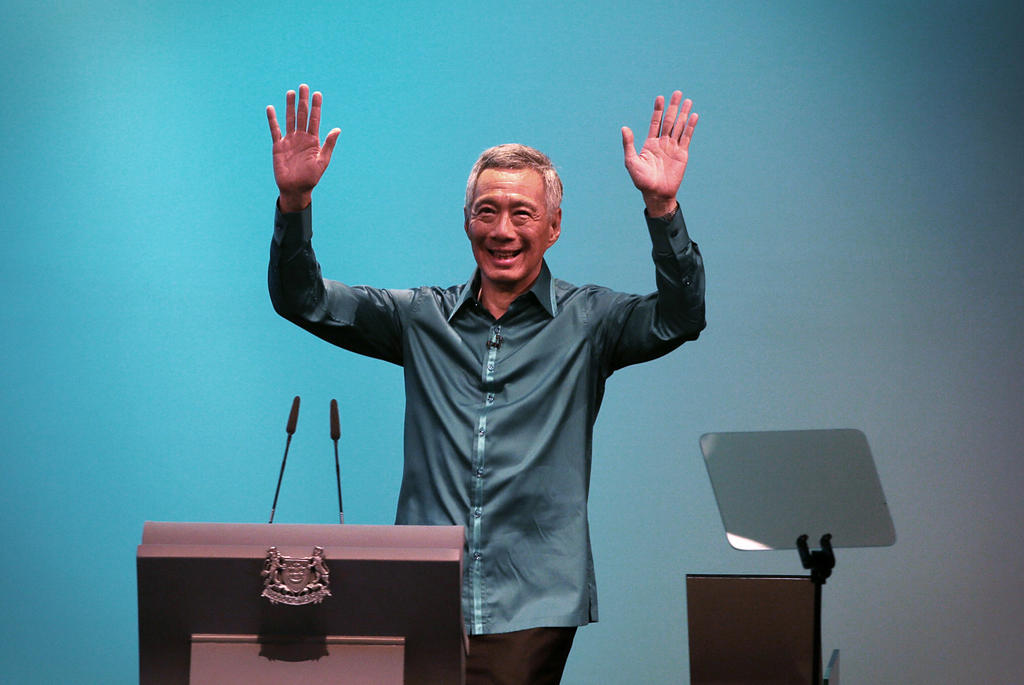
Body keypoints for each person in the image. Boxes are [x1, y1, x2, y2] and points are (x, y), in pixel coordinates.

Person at [266, 84, 705, 684]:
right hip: (422, 593)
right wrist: (294, 202)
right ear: (467, 222)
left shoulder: (592, 322)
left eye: (522, 213)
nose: (503, 229)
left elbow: (681, 317)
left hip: (534, 603)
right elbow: (304, 299)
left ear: (553, 227)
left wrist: (662, 211)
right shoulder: (418, 317)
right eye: (487, 211)